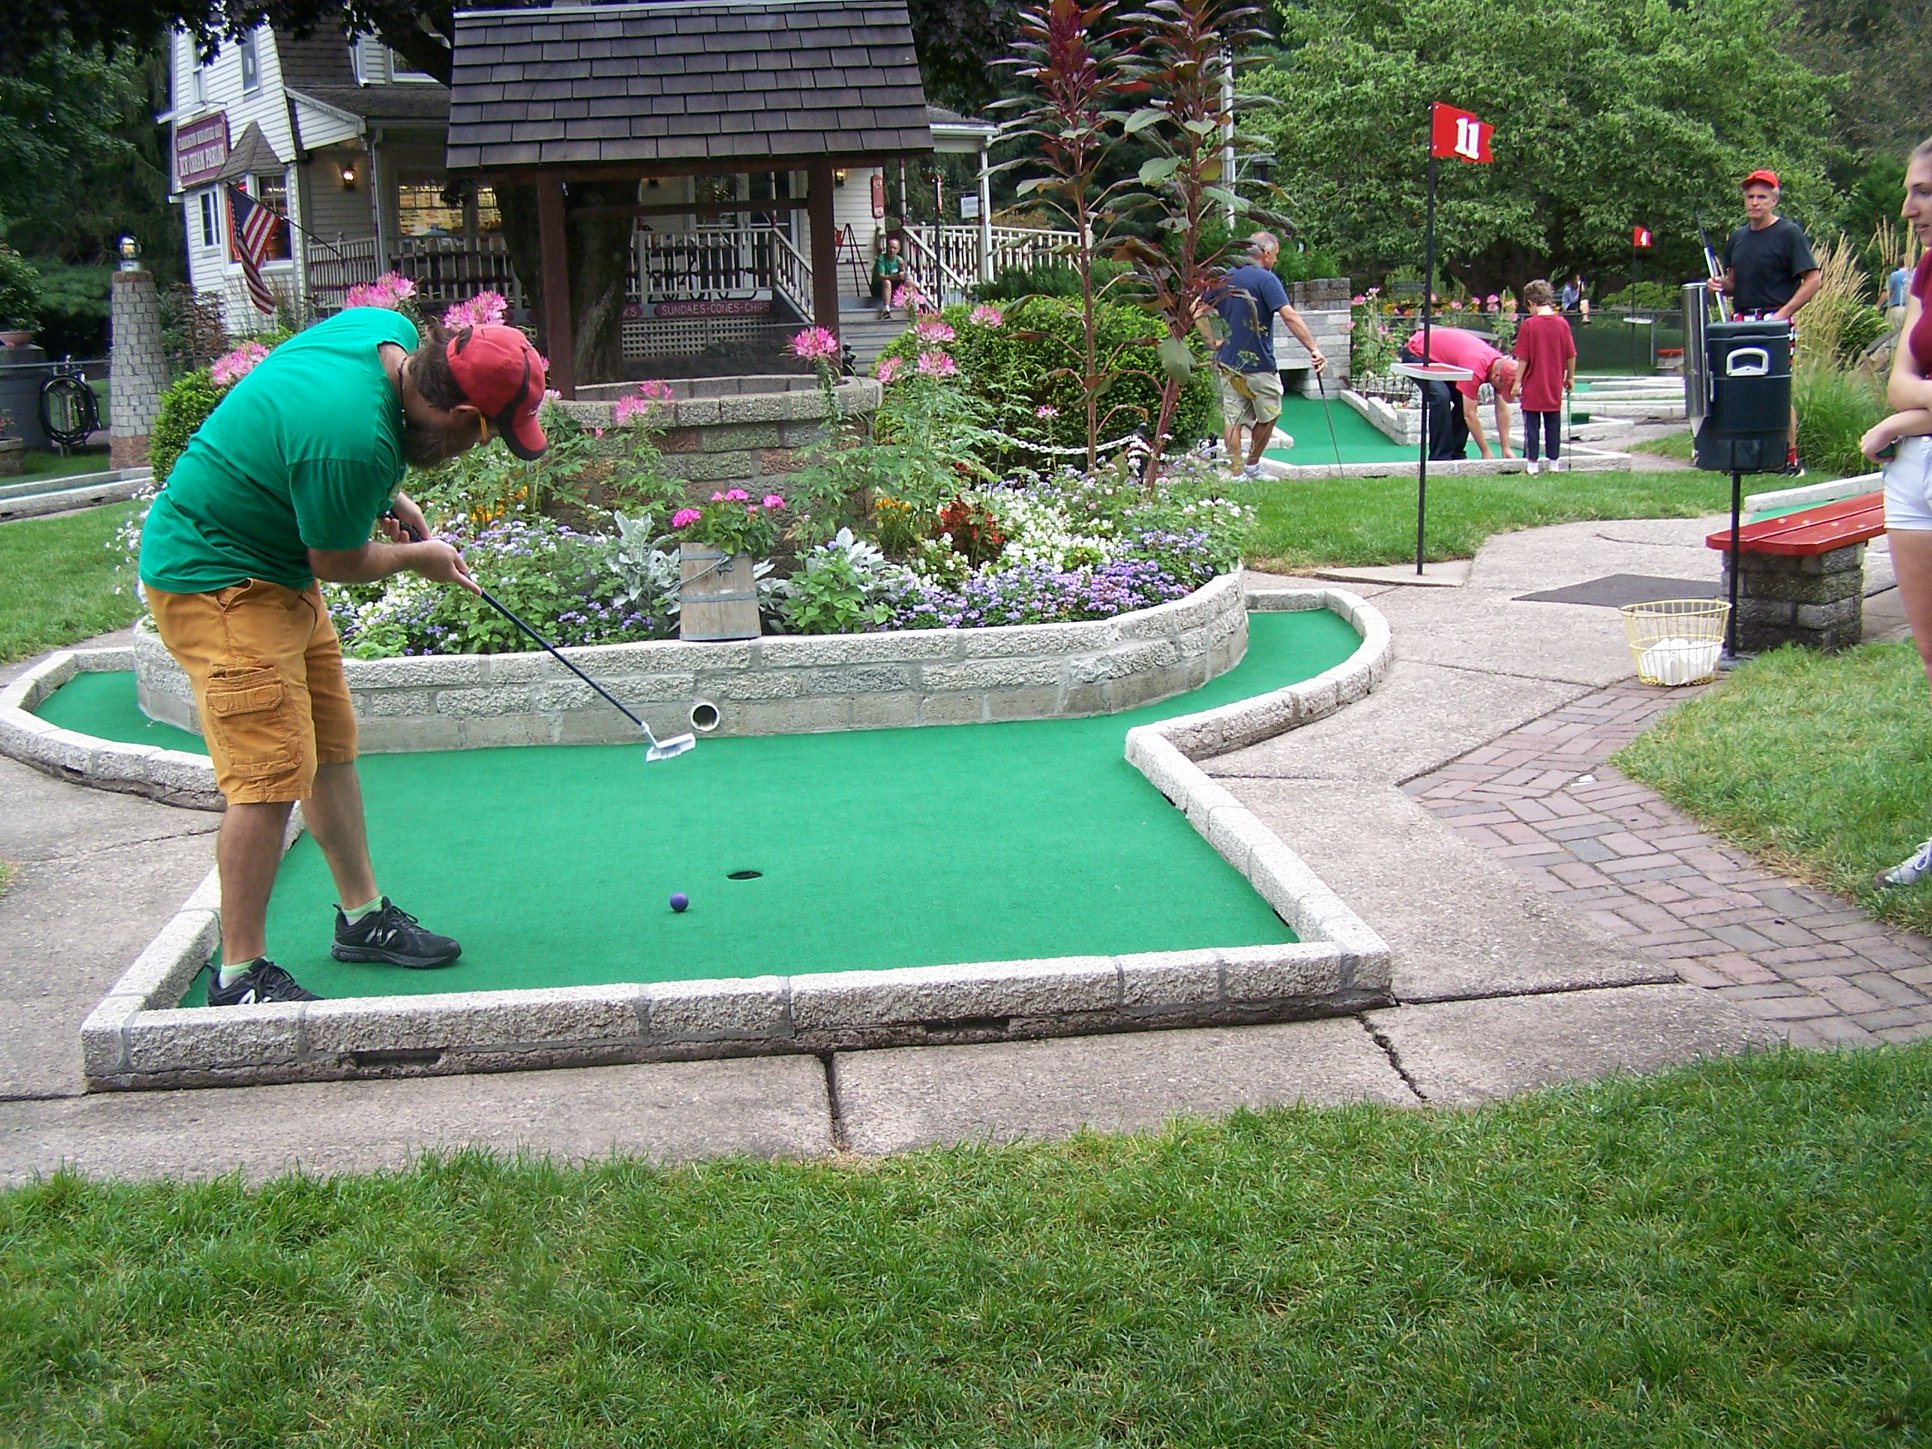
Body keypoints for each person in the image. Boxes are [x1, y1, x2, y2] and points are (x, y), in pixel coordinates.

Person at [137, 308, 549, 1005]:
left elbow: (305, 430)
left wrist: (388, 493)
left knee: (329, 745)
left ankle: (361, 919)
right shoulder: (352, 441)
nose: (476, 451)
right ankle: (239, 973)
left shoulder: (377, 332)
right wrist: (420, 556)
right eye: (485, 435)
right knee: (266, 778)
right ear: (460, 410)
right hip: (217, 579)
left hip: (275, 572)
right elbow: (335, 556)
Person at [1860, 139, 1932, 887]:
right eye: (1912, 191)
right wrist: (1906, 420)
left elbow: (1916, 392)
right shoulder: (1926, 274)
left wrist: (1912, 414)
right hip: (1915, 479)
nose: (1909, 208)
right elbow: (1900, 381)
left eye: (1926, 193)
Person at [1715, 167, 1821, 475]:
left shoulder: (1788, 233)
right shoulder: (1737, 238)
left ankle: (1787, 459)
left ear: (1774, 200)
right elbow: (1734, 282)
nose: (1755, 202)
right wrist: (1721, 285)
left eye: (1762, 196)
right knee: (1739, 387)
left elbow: (1813, 280)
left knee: (1776, 389)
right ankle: (1745, 456)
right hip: (1741, 319)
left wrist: (1783, 313)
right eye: (1750, 197)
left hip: (1774, 320)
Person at [1199, 231, 1327, 479]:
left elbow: (1196, 310)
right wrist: (1313, 348)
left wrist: (1212, 342)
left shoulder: (1225, 276)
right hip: (1259, 363)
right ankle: (1251, 466)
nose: (1275, 261)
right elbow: (1289, 315)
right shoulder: (1266, 280)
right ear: (1266, 254)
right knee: (1270, 414)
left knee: (1232, 419)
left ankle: (1237, 475)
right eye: (1275, 255)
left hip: (1227, 362)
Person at [1403, 324, 1519, 460]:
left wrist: (1506, 448)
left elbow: (1502, 410)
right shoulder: (1476, 367)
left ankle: (1456, 452)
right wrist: (1486, 452)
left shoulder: (1500, 366)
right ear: (1497, 377)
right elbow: (1469, 414)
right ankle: (1440, 458)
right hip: (1417, 352)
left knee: (1461, 401)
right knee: (1441, 397)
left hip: (1443, 359)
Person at [1513, 280, 1577, 474]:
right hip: (1553, 383)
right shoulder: (1562, 324)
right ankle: (1554, 464)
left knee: (1532, 425)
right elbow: (1571, 354)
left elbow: (1523, 357)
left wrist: (1517, 382)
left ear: (1531, 302)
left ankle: (1532, 464)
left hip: (1533, 384)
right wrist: (1570, 377)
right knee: (1553, 424)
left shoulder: (1529, 325)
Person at [871, 235, 907, 319]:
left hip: (892, 287)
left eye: (894, 248)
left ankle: (913, 305)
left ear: (898, 250)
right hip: (879, 287)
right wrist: (897, 277)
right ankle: (886, 309)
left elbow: (902, 276)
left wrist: (902, 268)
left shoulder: (899, 259)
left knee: (909, 282)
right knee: (887, 282)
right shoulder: (881, 259)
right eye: (890, 247)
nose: (891, 250)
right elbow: (881, 276)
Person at [1887, 259, 1915, 335]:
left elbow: (1887, 291)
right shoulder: (1914, 276)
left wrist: (1877, 306)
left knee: (1892, 335)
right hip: (1911, 311)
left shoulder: (1894, 275)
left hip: (1896, 308)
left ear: (1898, 264)